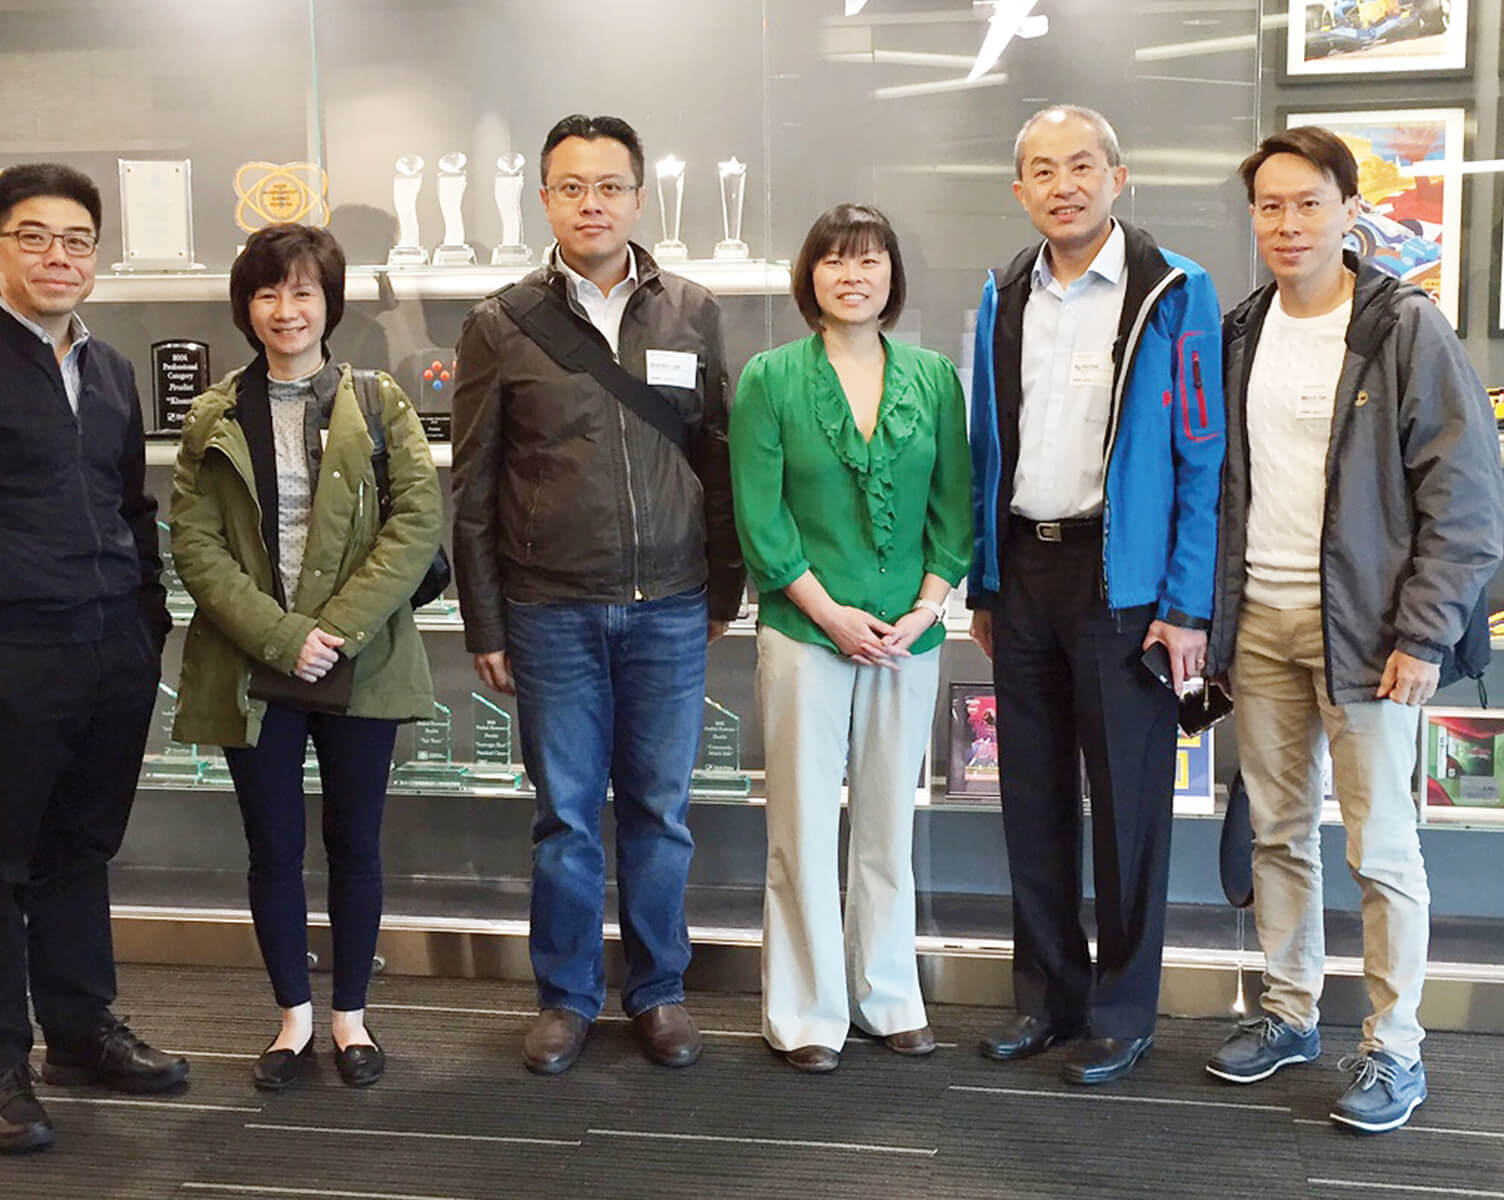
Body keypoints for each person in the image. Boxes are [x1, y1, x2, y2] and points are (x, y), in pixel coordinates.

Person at [1203, 127, 1504, 1133]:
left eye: (1305, 203)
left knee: (1381, 850)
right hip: (1261, 627)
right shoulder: (1239, 328)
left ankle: (1394, 1049)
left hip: (1372, 638)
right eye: (1268, 207)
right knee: (1277, 838)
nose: (1286, 224)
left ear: (1346, 211)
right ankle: (1289, 1014)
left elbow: (1465, 499)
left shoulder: (1402, 328)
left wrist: (1424, 634)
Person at [451, 113, 744, 1075]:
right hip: (550, 610)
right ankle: (567, 997)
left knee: (661, 811)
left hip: (669, 603)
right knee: (566, 817)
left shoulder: (692, 310)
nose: (591, 202)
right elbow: (476, 483)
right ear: (544, 198)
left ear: (638, 195)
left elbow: (720, 456)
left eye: (609, 185)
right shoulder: (501, 323)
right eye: (571, 186)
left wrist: (722, 583)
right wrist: (486, 618)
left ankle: (658, 991)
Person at [0, 163, 187, 1154]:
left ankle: (79, 1030)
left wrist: (147, 621)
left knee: (81, 850)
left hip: (112, 646)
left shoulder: (109, 370)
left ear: (95, 260)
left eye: (75, 240)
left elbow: (132, 508)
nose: (57, 256)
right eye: (34, 236)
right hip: (11, 653)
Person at [967, 106, 1225, 1084]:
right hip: (1022, 575)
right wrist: (984, 583)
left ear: (1120, 179)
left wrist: (1186, 603)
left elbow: (1200, 458)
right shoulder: (1002, 294)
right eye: (1042, 169)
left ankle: (1121, 1009)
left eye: (1082, 165)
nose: (1063, 183)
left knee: (1128, 807)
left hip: (1125, 585)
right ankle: (1047, 1001)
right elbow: (990, 443)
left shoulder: (1176, 292)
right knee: (1027, 799)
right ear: (1020, 191)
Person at [169, 223, 444, 1091]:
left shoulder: (381, 399)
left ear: (329, 301)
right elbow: (194, 540)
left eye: (302, 292)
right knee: (271, 846)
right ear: (245, 307)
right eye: (266, 293)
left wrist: (337, 630)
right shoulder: (212, 413)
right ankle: (291, 1018)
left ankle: (351, 1019)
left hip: (357, 659)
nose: (285, 310)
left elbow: (415, 526)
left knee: (355, 843)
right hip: (257, 666)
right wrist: (287, 637)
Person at [730, 204, 971, 1072]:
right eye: (834, 262)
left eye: (870, 261)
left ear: (892, 277)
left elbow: (956, 508)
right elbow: (760, 518)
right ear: (811, 277)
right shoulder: (769, 377)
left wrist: (928, 606)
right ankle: (804, 1013)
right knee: (798, 824)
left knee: (886, 827)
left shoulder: (936, 378)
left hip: (910, 635)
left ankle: (887, 996)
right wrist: (829, 613)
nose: (853, 276)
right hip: (804, 631)